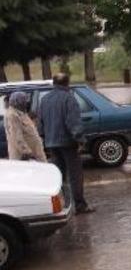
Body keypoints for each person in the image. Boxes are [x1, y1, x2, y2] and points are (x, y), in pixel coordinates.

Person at [37, 73, 94, 214]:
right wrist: (80, 140)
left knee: (59, 176)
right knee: (75, 175)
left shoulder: (44, 99)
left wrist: (45, 138)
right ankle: (80, 205)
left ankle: (61, 205)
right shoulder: (69, 98)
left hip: (51, 143)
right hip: (67, 143)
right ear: (67, 84)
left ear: (54, 83)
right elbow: (73, 123)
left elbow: (40, 123)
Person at [4, 91, 47, 162]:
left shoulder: (21, 113)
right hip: (25, 157)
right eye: (23, 101)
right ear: (17, 102)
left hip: (34, 153)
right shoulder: (13, 116)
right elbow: (17, 137)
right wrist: (26, 152)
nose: (25, 103)